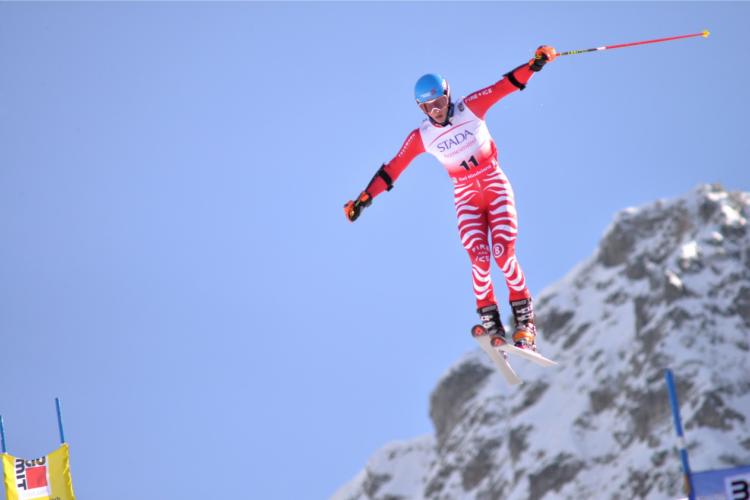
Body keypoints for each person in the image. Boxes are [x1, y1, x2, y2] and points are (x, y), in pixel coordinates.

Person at [344, 46, 557, 351]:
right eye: (428, 107)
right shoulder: (422, 137)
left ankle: (525, 324)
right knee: (479, 260)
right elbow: (392, 169)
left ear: (448, 95)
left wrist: (535, 64)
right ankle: (492, 325)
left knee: (503, 254)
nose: (437, 111)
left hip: (495, 186)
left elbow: (506, 85)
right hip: (466, 198)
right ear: (421, 109)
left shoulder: (470, 108)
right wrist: (363, 199)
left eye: (440, 102)